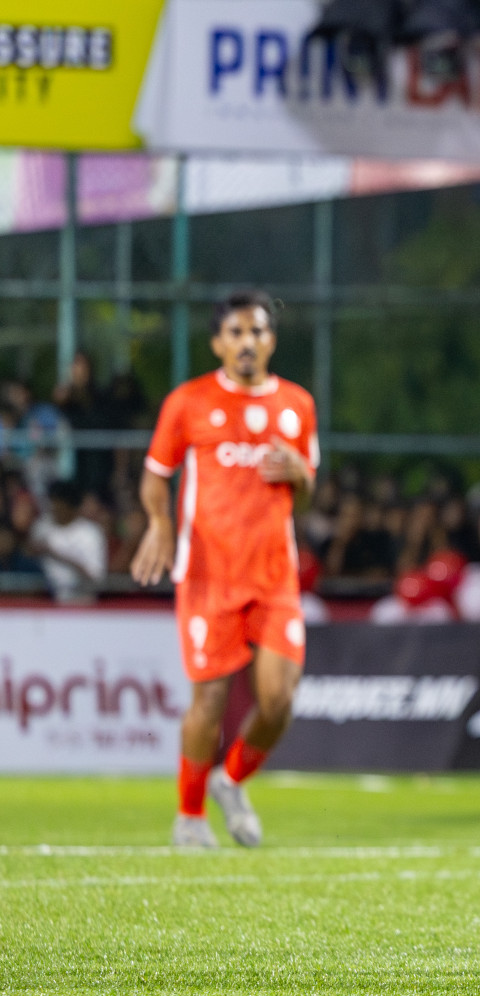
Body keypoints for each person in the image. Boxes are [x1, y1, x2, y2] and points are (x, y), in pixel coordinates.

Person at [132, 290, 319, 849]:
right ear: (217, 342)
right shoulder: (188, 402)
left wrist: (300, 476)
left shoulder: (297, 405)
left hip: (274, 577)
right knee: (208, 702)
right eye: (235, 333)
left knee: (279, 700)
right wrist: (160, 526)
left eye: (257, 331)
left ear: (271, 340)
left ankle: (230, 779)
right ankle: (190, 817)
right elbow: (154, 476)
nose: (246, 342)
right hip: (208, 575)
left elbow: (306, 496)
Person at [28, 478, 106, 604]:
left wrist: (56, 554)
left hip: (81, 603)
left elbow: (95, 579)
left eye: (57, 505)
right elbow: (27, 556)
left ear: (71, 506)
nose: (53, 509)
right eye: (51, 503)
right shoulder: (42, 526)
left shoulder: (90, 533)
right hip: (45, 601)